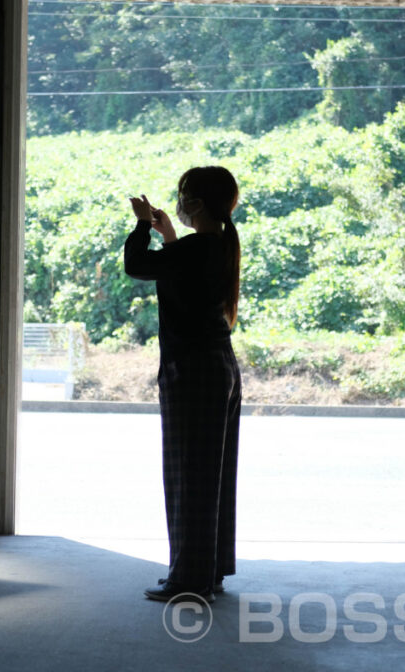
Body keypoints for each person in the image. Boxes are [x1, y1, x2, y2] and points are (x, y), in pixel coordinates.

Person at [124, 165, 243, 602]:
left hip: (192, 370)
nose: (178, 200)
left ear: (194, 202)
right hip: (219, 367)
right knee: (214, 474)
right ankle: (207, 573)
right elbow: (182, 267)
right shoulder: (218, 244)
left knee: (188, 475)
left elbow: (137, 265)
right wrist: (169, 234)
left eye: (182, 195)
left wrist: (141, 226)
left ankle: (188, 581)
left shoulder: (196, 249)